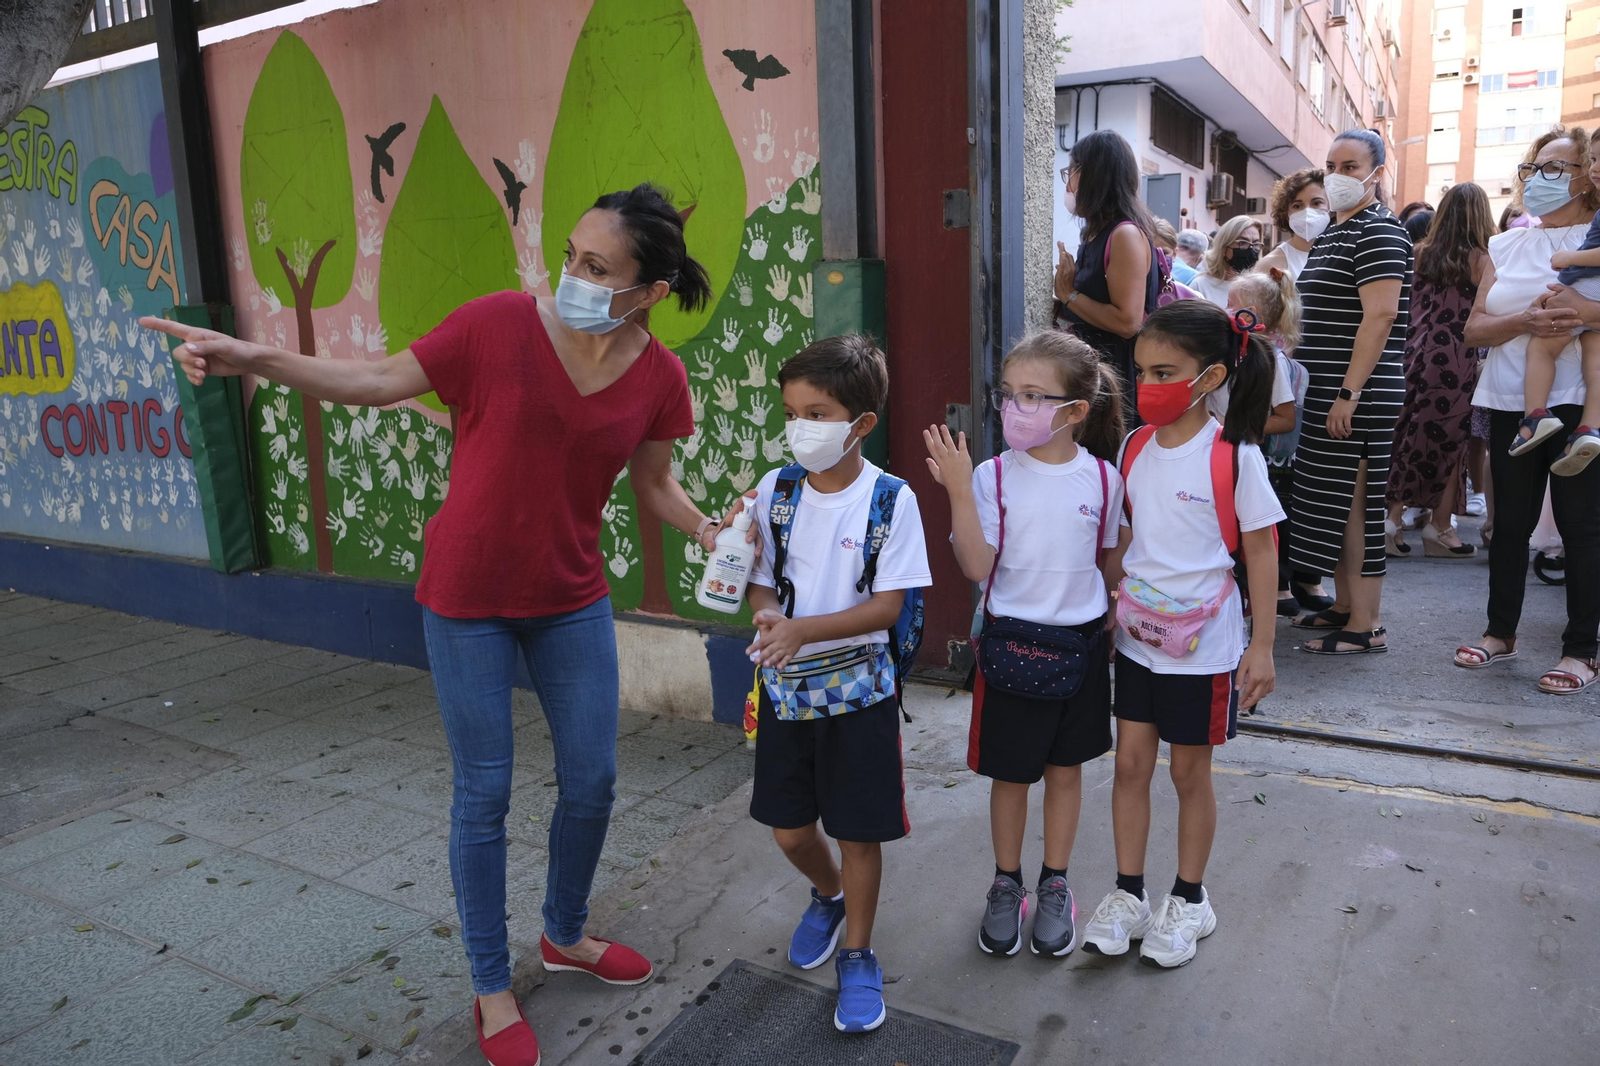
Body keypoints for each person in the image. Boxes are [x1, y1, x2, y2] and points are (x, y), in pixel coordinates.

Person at [144, 183, 734, 1066]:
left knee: (594, 779)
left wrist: (710, 529)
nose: (569, 276)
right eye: (569, 255)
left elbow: (654, 484)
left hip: (570, 596)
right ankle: (492, 987)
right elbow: (377, 380)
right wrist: (253, 357)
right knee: (485, 794)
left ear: (648, 291)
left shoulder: (659, 377)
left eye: (596, 266)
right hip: (466, 598)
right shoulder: (497, 324)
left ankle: (564, 933)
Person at [743, 335, 932, 1032]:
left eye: (817, 414)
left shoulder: (891, 500)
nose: (800, 428)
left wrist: (803, 629)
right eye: (792, 413)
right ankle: (828, 895)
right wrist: (768, 614)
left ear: (861, 424)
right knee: (791, 831)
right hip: (787, 692)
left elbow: (887, 607)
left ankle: (858, 950)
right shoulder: (776, 490)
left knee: (857, 833)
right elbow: (762, 581)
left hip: (860, 698)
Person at [1088, 300, 1281, 968]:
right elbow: (1127, 535)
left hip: (1204, 650)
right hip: (1137, 640)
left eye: (1165, 372)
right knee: (1130, 766)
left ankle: (1191, 900)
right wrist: (1100, 598)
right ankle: (1129, 894)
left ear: (1211, 377)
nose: (1148, 384)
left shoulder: (1234, 456)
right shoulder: (1134, 446)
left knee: (1189, 773)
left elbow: (1261, 551)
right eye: (1141, 370)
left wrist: (1262, 647)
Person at [922, 332, 1124, 959]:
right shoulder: (992, 476)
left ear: (1076, 410)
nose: (1016, 407)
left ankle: (1055, 882)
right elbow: (977, 566)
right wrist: (959, 489)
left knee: (1065, 772)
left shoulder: (1104, 479)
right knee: (1010, 777)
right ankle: (1006, 882)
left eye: (1034, 395)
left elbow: (1108, 564)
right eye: (1009, 394)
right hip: (1010, 647)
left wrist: (1115, 613)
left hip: (1081, 649)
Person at [1454, 127, 1600, 696]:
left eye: (1555, 168)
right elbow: (1474, 330)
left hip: (1579, 400)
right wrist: (1526, 322)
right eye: (1534, 167)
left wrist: (1578, 313)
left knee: (1581, 525)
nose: (1540, 178)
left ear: (1587, 175)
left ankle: (1581, 650)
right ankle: (1500, 633)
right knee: (1509, 523)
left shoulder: (1596, 235)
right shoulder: (1505, 245)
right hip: (1510, 400)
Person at [1289, 129, 1412, 656]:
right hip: (1329, 392)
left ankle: (1366, 625)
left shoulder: (1379, 231)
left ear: (1376, 174)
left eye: (1351, 167)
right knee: (1335, 505)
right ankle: (1344, 605)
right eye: (1332, 165)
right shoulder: (1338, 230)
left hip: (1357, 394)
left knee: (1357, 507)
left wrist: (1349, 393)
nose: (1337, 175)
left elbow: (1380, 317)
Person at [1385, 183, 1496, 559]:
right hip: (1455, 359)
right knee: (1451, 444)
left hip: (1412, 352)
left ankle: (1391, 521)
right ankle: (1441, 528)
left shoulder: (1419, 253)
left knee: (1406, 435)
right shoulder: (1484, 259)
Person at [1224, 270, 1326, 615]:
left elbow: (1285, 418)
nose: (1224, 309)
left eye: (1230, 304)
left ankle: (1275, 591)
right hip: (1241, 454)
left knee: (1265, 525)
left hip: (1265, 461)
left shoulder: (1270, 360)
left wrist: (1235, 428)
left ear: (1249, 314)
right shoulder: (1237, 354)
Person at [1055, 129, 1162, 395]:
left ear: (1094, 175)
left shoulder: (1124, 234)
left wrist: (1069, 295)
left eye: (1071, 173)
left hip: (1116, 377)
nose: (1068, 186)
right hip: (1093, 369)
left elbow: (1128, 323)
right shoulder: (1095, 232)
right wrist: (1061, 302)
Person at [1513, 183, 1600, 476]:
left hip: (1588, 285)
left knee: (1541, 347)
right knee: (1596, 364)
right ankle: (1589, 429)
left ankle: (1535, 416)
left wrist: (1569, 257)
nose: (1595, 167)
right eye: (1593, 160)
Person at [1259, 169, 1329, 280]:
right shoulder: (1269, 265)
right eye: (1297, 206)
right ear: (1286, 212)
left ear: (1332, 208)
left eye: (1316, 203)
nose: (1307, 212)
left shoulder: (1345, 254)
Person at [1190, 215, 1264, 306]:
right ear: (1224, 246)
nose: (1250, 249)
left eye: (1256, 244)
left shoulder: (1259, 289)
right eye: (1243, 243)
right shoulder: (1200, 286)